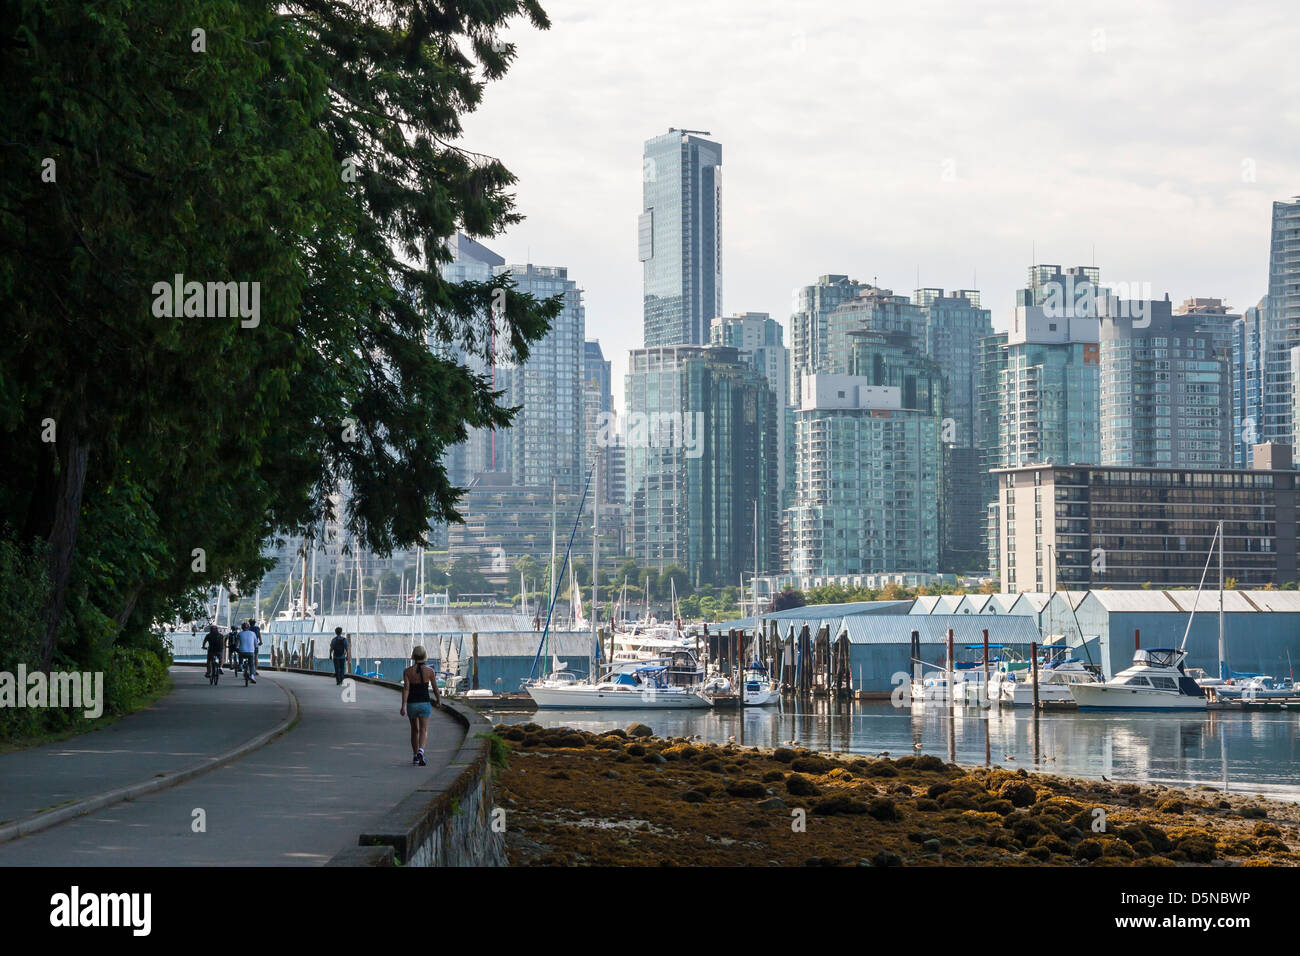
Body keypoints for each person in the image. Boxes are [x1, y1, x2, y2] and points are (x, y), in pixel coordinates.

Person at [400, 646, 441, 766]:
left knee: (414, 730)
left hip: (412, 704)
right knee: (423, 730)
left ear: (413, 657)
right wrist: (439, 700)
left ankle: (415, 756)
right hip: (424, 703)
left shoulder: (407, 671)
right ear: (424, 656)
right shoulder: (430, 671)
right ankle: (421, 751)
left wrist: (403, 705)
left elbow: (406, 689)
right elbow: (435, 688)